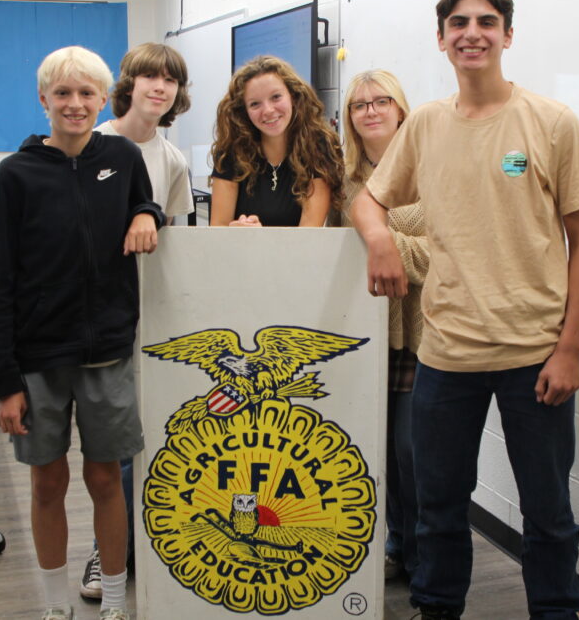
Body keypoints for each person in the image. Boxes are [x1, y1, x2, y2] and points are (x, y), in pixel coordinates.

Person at [350, 0, 579, 620]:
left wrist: (570, 348)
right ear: (442, 39)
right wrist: (378, 237)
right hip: (447, 355)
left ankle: (555, 609)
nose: (472, 32)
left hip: (534, 353)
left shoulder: (551, 122)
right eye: (458, 23)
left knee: (547, 511)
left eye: (486, 22)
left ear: (507, 35)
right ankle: (438, 608)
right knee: (438, 509)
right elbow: (369, 197)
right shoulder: (428, 124)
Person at [0, 46, 165, 620]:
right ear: (44, 100)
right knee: (46, 484)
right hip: (37, 359)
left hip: (106, 352)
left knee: (107, 478)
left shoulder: (123, 156)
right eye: (63, 94)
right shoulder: (16, 174)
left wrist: (147, 214)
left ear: (103, 99)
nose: (75, 104)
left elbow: (143, 201)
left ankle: (112, 603)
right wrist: (3, 381)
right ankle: (55, 607)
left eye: (87, 93)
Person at [79, 41, 193, 602]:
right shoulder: (94, 143)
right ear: (128, 84)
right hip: (102, 322)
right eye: (148, 76)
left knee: (153, 440)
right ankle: (106, 555)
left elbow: (176, 244)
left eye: (168, 79)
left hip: (154, 320)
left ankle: (145, 546)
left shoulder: (173, 159)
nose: (158, 86)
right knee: (114, 450)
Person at [339, 69, 427, 582]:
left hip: (422, 336)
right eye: (359, 104)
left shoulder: (433, 169)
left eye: (381, 100)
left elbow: (449, 253)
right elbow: (331, 256)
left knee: (415, 455)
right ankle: (397, 544)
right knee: (380, 453)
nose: (370, 110)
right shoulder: (343, 179)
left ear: (400, 109)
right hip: (366, 337)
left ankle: (424, 559)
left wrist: (382, 245)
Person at [210, 55, 343, 227]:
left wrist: (262, 238)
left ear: (293, 96)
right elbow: (218, 231)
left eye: (276, 97)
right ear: (244, 111)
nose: (268, 110)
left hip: (298, 253)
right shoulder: (231, 151)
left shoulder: (318, 147)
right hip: (240, 253)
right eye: (255, 104)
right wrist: (235, 233)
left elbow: (308, 235)